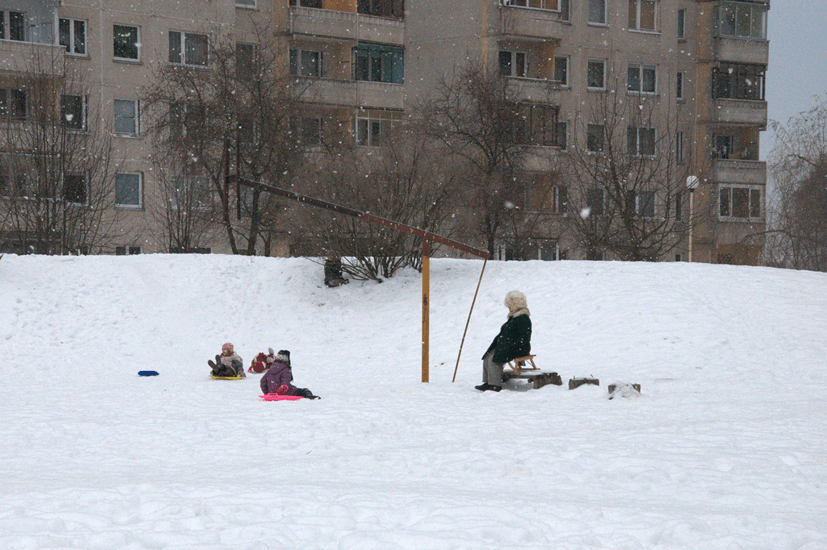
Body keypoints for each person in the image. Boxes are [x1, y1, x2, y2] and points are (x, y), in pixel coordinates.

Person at [476, 290, 532, 392]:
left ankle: (495, 385)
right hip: (507, 347)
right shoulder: (514, 318)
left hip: (518, 348)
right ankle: (488, 382)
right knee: (488, 356)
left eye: (510, 306)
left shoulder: (523, 318)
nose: (509, 308)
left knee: (494, 359)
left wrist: (509, 346)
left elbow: (524, 338)